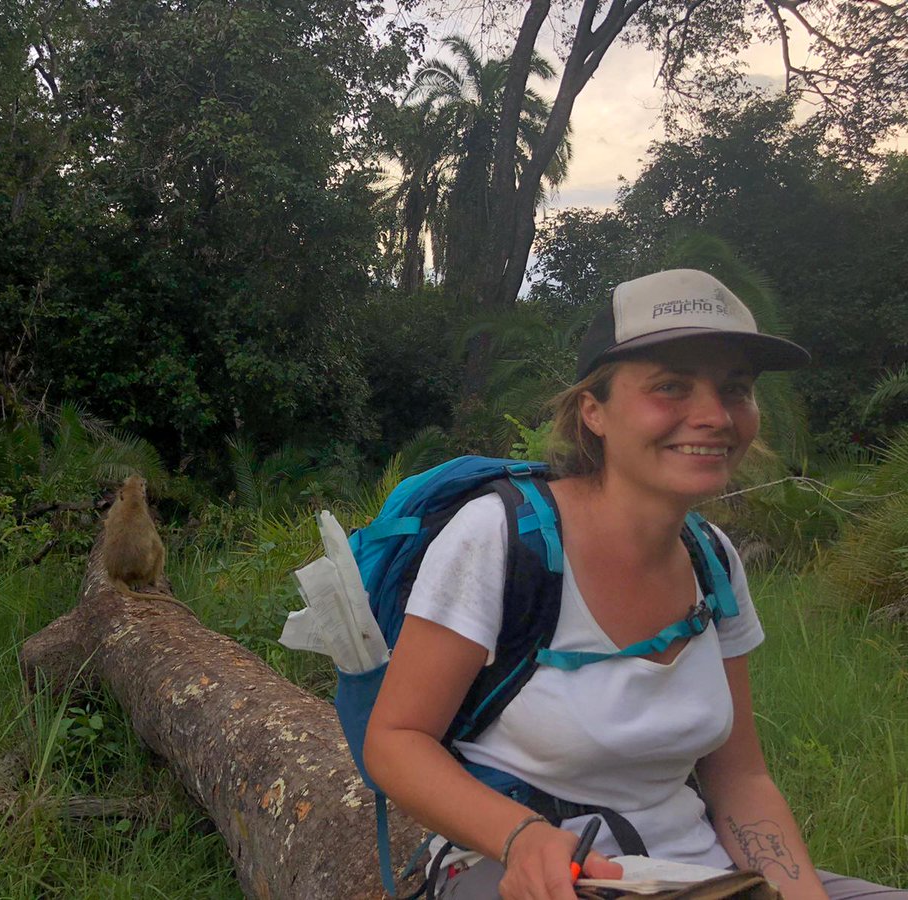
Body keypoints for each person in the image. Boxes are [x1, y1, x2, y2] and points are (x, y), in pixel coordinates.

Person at [363, 270, 906, 900]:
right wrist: (522, 836)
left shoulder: (713, 560)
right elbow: (396, 740)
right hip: (518, 867)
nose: (713, 416)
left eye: (736, 389)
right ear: (593, 411)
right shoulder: (501, 538)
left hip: (696, 873)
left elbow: (740, 779)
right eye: (670, 387)